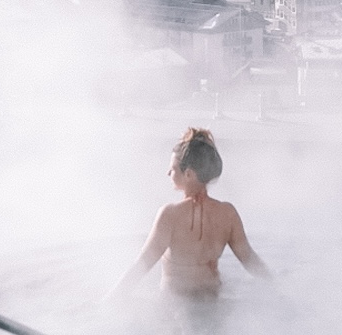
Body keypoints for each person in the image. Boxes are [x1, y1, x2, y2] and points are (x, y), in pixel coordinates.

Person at [113, 127, 269, 299]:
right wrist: (279, 289)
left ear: (188, 174)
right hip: (212, 300)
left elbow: (142, 264)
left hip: (176, 303)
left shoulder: (170, 214)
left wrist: (109, 301)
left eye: (173, 169)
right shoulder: (227, 213)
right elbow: (250, 260)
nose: (168, 173)